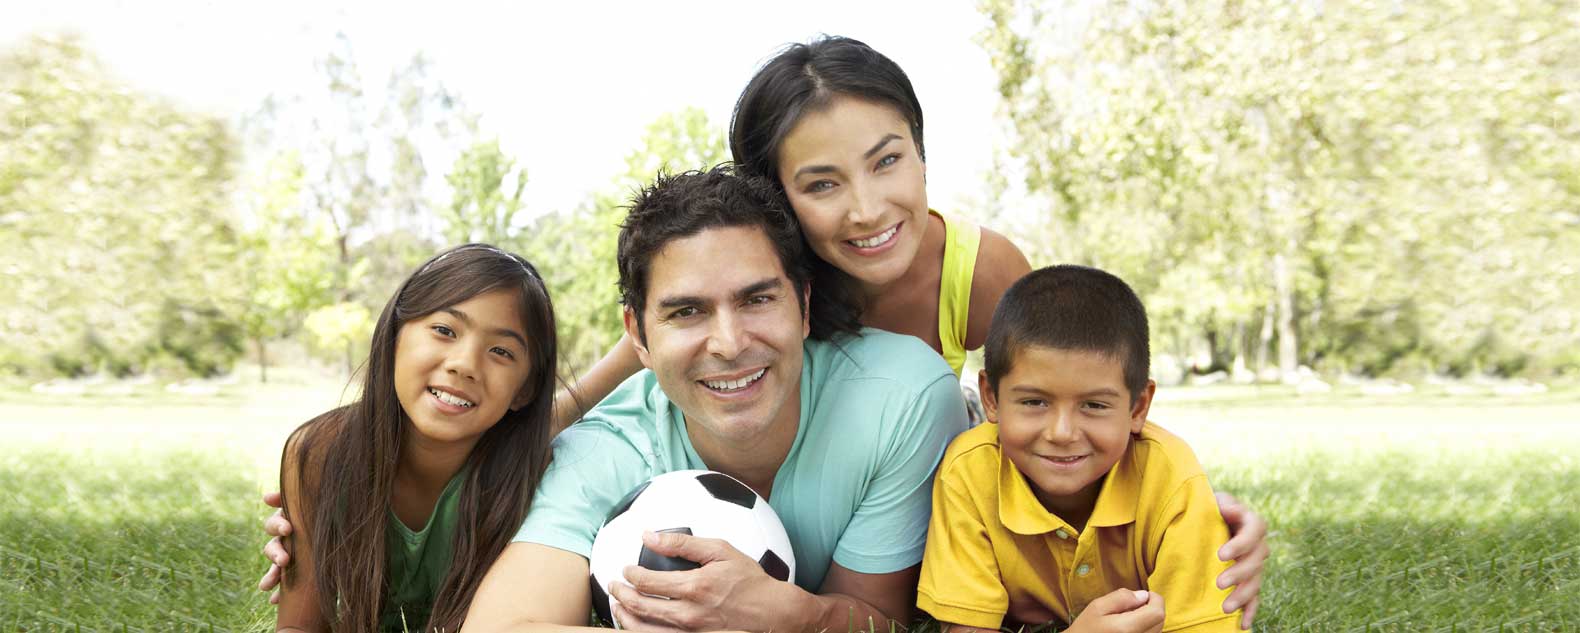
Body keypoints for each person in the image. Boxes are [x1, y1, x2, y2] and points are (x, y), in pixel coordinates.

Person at [547, 35, 1266, 626]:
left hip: (951, 496)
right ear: (777, 197)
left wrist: (1196, 514)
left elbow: (1083, 392)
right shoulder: (750, 297)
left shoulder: (978, 270)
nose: (867, 209)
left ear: (922, 154)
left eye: (887, 160)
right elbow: (625, 371)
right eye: (822, 184)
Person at [461, 166, 968, 632]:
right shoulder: (605, 449)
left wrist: (790, 615)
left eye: (757, 299)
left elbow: (882, 619)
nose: (729, 343)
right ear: (638, 335)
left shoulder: (903, 400)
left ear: (804, 306)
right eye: (687, 312)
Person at [918, 265, 1241, 632]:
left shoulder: (1170, 475)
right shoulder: (968, 472)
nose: (1062, 432)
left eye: (1094, 405)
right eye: (1034, 402)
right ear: (991, 398)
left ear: (1137, 407)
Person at [273, 244, 560, 632]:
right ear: (394, 336)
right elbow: (300, 625)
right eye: (444, 330)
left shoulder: (535, 479)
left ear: (525, 390)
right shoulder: (320, 452)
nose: (464, 364)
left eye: (500, 351)